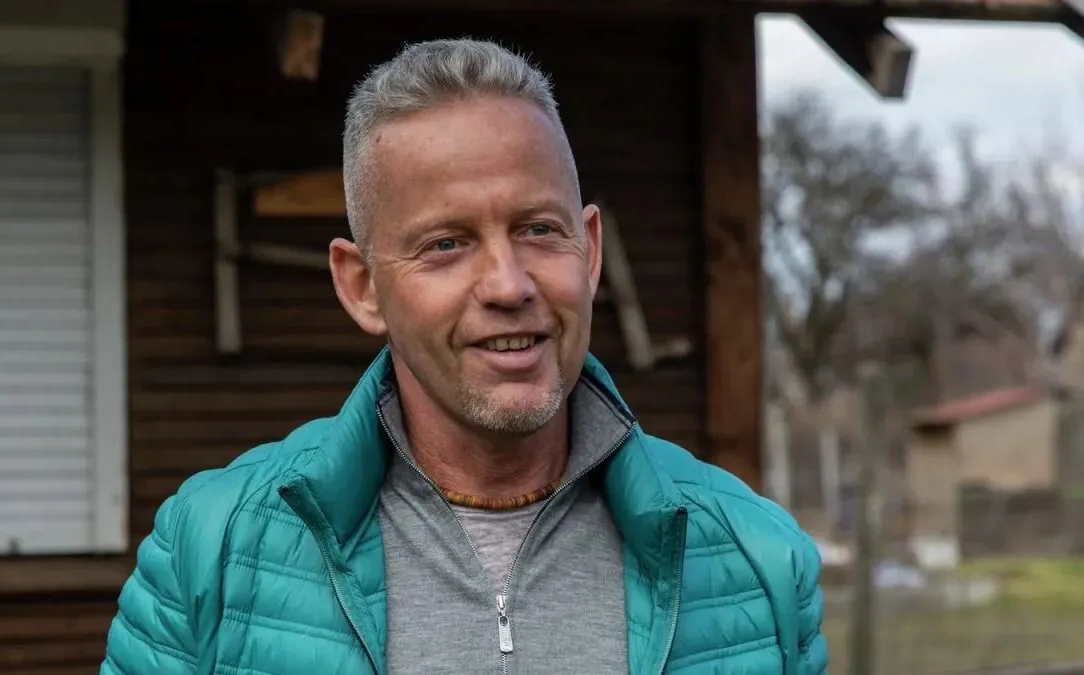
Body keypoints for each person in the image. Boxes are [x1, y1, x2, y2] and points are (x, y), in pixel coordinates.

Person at [101, 38, 827, 675]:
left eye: (539, 230)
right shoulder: (210, 550)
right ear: (362, 287)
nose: (509, 285)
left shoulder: (757, 559)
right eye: (446, 244)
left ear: (589, 251)